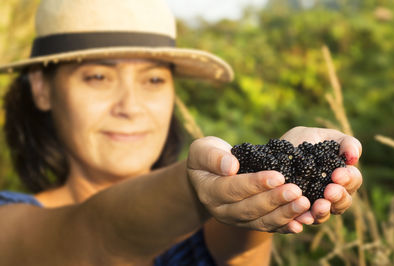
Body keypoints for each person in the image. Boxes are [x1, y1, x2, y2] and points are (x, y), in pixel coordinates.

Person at [0, 0, 362, 265]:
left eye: (154, 79)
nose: (131, 106)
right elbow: (100, 233)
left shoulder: (211, 239)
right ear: (42, 89)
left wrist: (270, 177)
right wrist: (192, 184)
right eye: (98, 77)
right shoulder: (9, 221)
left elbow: (240, 244)